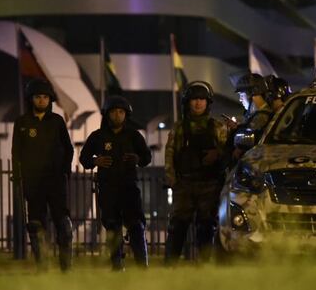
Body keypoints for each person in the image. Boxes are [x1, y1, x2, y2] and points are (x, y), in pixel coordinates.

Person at [79, 95, 152, 270]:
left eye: (121, 112)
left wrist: (137, 158)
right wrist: (96, 161)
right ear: (107, 114)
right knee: (112, 226)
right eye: (113, 112)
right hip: (107, 187)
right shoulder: (98, 136)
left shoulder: (134, 136)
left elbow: (147, 157)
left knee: (136, 225)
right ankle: (117, 265)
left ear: (126, 115)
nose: (117, 115)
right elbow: (84, 158)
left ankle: (143, 265)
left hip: (129, 187)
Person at [164, 81, 230, 264]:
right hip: (184, 184)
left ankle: (204, 265)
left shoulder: (217, 127)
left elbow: (228, 153)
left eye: (202, 99)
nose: (198, 103)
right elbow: (170, 154)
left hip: (210, 185)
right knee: (178, 227)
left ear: (208, 102)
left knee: (206, 226)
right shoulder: (179, 128)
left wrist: (218, 154)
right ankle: (170, 265)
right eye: (194, 99)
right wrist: (173, 181)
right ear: (188, 102)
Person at [12, 79, 73, 272]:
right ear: (31, 99)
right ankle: (42, 265)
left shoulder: (57, 121)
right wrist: (18, 176)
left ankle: (66, 267)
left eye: (45, 97)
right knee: (36, 225)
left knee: (63, 224)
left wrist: (64, 171)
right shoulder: (21, 123)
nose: (41, 100)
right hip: (33, 181)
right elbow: (16, 152)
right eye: (38, 97)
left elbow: (68, 149)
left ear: (50, 100)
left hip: (55, 181)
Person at [231, 73, 273, 161]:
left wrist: (239, 149)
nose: (240, 99)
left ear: (252, 95)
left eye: (241, 95)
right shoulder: (256, 114)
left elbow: (250, 140)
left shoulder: (262, 116)